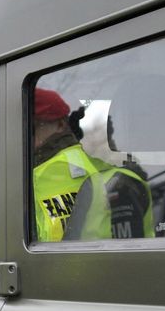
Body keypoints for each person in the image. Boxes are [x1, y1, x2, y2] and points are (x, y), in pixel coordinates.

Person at [31, 87, 153, 242]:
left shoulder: (119, 181)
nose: (27, 139)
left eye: (33, 129)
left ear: (62, 126)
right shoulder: (29, 167)